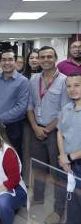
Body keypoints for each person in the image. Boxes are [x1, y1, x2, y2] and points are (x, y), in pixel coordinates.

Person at [27, 46, 69, 223]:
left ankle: (58, 210)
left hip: (55, 134)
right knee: (38, 168)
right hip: (35, 130)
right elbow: (29, 106)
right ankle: (38, 197)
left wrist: (47, 129)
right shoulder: (33, 79)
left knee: (58, 173)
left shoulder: (65, 81)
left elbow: (64, 111)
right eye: (42, 56)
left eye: (49, 56)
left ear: (55, 58)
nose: (45, 59)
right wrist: (36, 127)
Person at [0, 50, 30, 160]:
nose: (7, 63)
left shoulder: (23, 81)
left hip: (13, 127)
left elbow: (21, 107)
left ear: (15, 61)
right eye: (4, 60)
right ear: (0, 62)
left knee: (12, 156)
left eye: (10, 59)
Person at [57, 73, 81, 224]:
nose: (72, 89)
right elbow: (60, 133)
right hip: (68, 164)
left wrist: (70, 157)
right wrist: (62, 156)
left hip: (76, 161)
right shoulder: (66, 108)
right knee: (72, 202)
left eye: (77, 85)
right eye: (69, 86)